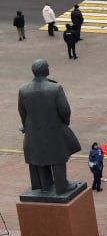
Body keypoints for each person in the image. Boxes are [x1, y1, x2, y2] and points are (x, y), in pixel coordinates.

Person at [19, 59, 82, 195]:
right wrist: (65, 122)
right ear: (44, 71)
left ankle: (46, 185)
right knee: (58, 157)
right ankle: (62, 185)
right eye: (47, 66)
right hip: (53, 129)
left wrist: (26, 127)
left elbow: (22, 112)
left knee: (41, 158)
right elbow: (65, 110)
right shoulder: (55, 88)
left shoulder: (23, 90)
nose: (49, 68)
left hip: (34, 132)